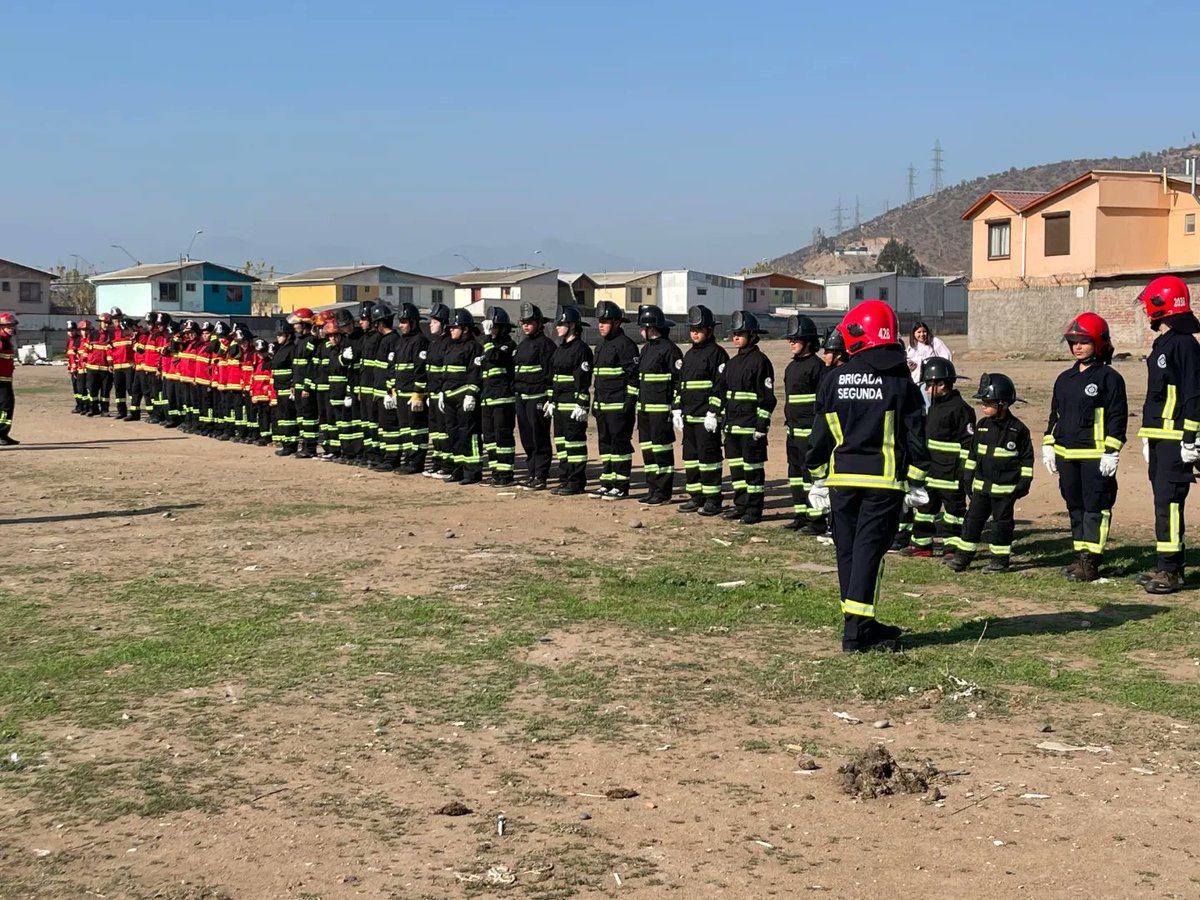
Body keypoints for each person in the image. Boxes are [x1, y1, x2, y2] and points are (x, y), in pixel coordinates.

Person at [806, 300, 929, 652]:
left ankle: (861, 624)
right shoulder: (900, 382)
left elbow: (819, 437)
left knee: (847, 553)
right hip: (883, 484)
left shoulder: (834, 380)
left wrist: (816, 476)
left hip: (841, 482)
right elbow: (915, 436)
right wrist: (917, 481)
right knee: (868, 555)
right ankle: (856, 635)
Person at [1042, 313, 1127, 582]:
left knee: (1095, 508)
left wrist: (1112, 450)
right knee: (1075, 507)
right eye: (1074, 342)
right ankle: (1080, 555)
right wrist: (1048, 444)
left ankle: (1091, 560)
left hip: (1095, 456)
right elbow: (1054, 415)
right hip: (1067, 455)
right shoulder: (1064, 378)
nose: (1077, 347)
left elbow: (1117, 416)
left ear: (1099, 343)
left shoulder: (1109, 378)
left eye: (1084, 341)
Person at [1135, 275, 1200, 594]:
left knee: (1169, 503)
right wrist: (1148, 435)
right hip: (1160, 436)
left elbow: (1193, 392)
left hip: (1176, 438)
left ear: (1159, 304)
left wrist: (1191, 437)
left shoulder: (1185, 343)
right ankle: (1166, 563)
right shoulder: (1165, 341)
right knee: (1162, 503)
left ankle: (1171, 571)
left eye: (1148, 302)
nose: (1145, 309)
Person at [947, 374, 1034, 574]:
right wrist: (967, 479)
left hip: (1005, 492)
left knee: (1001, 526)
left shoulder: (1018, 430)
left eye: (988, 402)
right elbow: (972, 456)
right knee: (972, 522)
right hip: (981, 489)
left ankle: (999, 561)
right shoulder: (982, 426)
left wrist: (1023, 483)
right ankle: (963, 558)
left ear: (1003, 404)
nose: (983, 407)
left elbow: (1027, 460)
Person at [903, 357, 974, 557]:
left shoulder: (960, 409)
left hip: (950, 474)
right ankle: (922, 544)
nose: (926, 389)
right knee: (925, 508)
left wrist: (962, 471)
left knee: (953, 513)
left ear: (941, 384)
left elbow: (968, 445)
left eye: (929, 385)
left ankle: (952, 547)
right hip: (932, 471)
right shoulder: (935, 405)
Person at [721, 311, 776, 524]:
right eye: (734, 333)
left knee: (752, 471)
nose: (735, 337)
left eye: (740, 333)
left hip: (751, 428)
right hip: (733, 427)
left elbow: (767, 398)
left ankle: (753, 511)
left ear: (752, 335)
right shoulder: (733, 364)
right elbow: (724, 394)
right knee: (736, 470)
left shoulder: (760, 362)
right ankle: (740, 505)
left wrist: (762, 425)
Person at [675, 304, 727, 515]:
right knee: (691, 459)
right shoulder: (689, 355)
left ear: (709, 330)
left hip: (707, 417)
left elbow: (720, 385)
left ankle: (713, 499)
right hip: (689, 417)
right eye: (692, 329)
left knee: (709, 460)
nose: (694, 333)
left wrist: (713, 412)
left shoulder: (717, 354)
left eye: (699, 329)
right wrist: (677, 408)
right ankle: (696, 497)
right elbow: (681, 384)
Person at [781, 314, 826, 533]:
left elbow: (821, 404)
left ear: (808, 341)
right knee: (795, 476)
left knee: (811, 477)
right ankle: (801, 514)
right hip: (793, 432)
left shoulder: (817, 367)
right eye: (790, 339)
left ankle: (815, 520)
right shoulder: (791, 368)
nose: (791, 342)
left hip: (810, 433)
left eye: (795, 339)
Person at [591, 301, 640, 500]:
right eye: (599, 321)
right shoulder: (601, 346)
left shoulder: (626, 345)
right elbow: (599, 378)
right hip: (603, 405)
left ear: (617, 322)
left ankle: (621, 485)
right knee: (605, 445)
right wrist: (596, 401)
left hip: (619, 406)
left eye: (605, 321)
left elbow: (633, 377)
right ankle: (607, 482)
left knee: (620, 446)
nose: (601, 325)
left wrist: (628, 402)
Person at [636, 305, 683, 505]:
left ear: (651, 328)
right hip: (645, 409)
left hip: (660, 410)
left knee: (661, 451)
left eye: (643, 328)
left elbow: (678, 381)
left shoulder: (670, 350)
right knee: (647, 450)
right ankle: (652, 488)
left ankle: (663, 492)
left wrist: (676, 408)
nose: (640, 331)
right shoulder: (646, 349)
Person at [549, 306, 593, 495]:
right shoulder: (560, 348)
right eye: (557, 324)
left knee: (575, 444)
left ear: (572, 326)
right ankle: (565, 478)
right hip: (559, 404)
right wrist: (551, 400)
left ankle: (576, 482)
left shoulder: (581, 349)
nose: (558, 327)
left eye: (562, 324)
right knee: (561, 444)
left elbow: (583, 379)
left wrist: (582, 403)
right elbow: (554, 376)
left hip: (572, 405)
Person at [512, 303, 555, 491]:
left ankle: (541, 475)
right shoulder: (522, 345)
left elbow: (550, 374)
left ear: (539, 323)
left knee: (539, 438)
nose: (526, 326)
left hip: (538, 397)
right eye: (524, 323)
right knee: (527, 438)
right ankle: (532, 473)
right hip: (522, 398)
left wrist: (550, 399)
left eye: (529, 322)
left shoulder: (546, 345)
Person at [441, 309, 485, 484]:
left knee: (469, 435)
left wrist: (471, 394)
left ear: (465, 329)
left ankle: (472, 471)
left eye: (455, 327)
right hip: (450, 396)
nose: (451, 330)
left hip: (464, 397)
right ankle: (458, 469)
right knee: (453, 435)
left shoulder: (473, 347)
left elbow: (476, 372)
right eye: (450, 327)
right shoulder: (451, 346)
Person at [479, 307, 518, 486]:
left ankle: (505, 474)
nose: (491, 330)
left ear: (502, 328)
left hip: (503, 399)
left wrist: (487, 338)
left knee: (503, 437)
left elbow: (494, 357)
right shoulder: (488, 346)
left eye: (493, 327)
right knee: (490, 438)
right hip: (488, 399)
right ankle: (496, 472)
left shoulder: (508, 345)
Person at [389, 302, 429, 474]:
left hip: (413, 393)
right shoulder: (401, 341)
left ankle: (416, 461)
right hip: (401, 391)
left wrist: (419, 394)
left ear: (413, 322)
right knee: (405, 429)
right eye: (400, 321)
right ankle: (408, 458)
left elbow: (420, 370)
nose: (401, 325)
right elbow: (394, 368)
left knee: (417, 429)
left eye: (404, 322)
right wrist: (392, 391)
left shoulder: (420, 341)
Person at [369, 303, 402, 471]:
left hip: (388, 393)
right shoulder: (384, 340)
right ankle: (385, 455)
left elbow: (392, 370)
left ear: (380, 323)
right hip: (380, 392)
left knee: (391, 427)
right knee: (383, 427)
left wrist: (391, 392)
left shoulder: (393, 341)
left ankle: (392, 459)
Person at [424, 303, 454, 477]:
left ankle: (447, 465)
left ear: (443, 323)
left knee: (445, 431)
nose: (430, 325)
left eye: (434, 321)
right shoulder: (434, 343)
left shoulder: (447, 343)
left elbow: (446, 371)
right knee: (435, 431)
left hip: (444, 394)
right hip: (433, 393)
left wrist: (443, 391)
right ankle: (437, 462)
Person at [288, 308, 319, 458]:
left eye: (297, 323)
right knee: (301, 417)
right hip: (298, 385)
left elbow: (311, 367)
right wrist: (293, 384)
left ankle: (310, 447)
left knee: (309, 417)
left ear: (305, 324)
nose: (294, 326)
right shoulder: (299, 341)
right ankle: (304, 445)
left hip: (307, 387)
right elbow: (297, 366)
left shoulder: (311, 341)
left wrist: (307, 386)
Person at [270, 319, 299, 455]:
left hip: (288, 388)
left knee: (288, 417)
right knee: (282, 417)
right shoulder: (280, 349)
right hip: (279, 387)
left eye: (280, 334)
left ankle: (290, 445)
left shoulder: (292, 349)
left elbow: (295, 368)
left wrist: (293, 384)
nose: (278, 337)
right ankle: (285, 442)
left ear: (288, 335)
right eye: (277, 334)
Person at [83, 313, 114, 417]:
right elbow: (86, 349)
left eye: (107, 323)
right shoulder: (92, 334)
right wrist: (84, 359)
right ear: (100, 323)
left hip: (106, 368)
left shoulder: (111, 335)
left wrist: (110, 364)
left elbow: (110, 352)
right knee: (92, 390)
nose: (105, 325)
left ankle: (105, 410)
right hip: (92, 367)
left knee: (105, 391)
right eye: (104, 323)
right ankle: (93, 409)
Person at [0, 312, 18, 444]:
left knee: (6, 406)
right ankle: (1, 434)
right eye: (8, 326)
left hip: (5, 378)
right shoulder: (1, 340)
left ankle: (3, 434)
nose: (12, 328)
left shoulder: (6, 340)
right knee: (6, 407)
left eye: (13, 325)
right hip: (1, 380)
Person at [66, 320, 87, 413]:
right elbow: (69, 356)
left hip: (79, 369)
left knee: (81, 389)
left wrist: (77, 368)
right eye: (69, 330)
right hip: (73, 369)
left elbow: (78, 356)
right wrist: (69, 367)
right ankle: (79, 405)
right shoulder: (69, 341)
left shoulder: (79, 340)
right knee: (76, 389)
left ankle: (84, 406)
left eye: (72, 330)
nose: (71, 332)